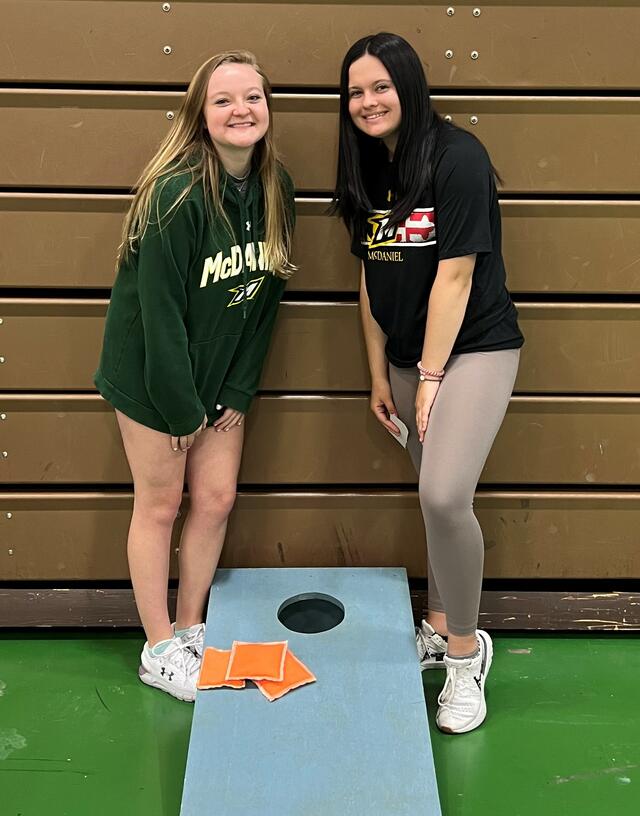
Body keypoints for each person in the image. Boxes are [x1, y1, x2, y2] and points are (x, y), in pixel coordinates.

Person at [332, 33, 523, 734]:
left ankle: (468, 655)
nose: (367, 102)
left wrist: (432, 377)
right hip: (411, 357)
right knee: (434, 504)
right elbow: (371, 274)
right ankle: (440, 625)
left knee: (443, 494)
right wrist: (379, 370)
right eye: (355, 91)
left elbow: (458, 273)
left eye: (381, 86)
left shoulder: (458, 156)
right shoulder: (369, 167)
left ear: (409, 87)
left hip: (474, 349)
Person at [95, 50, 296, 702]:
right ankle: (158, 648)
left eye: (253, 98)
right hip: (155, 376)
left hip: (215, 378)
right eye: (224, 100)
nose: (242, 110)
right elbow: (158, 317)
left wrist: (237, 388)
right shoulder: (176, 193)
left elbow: (265, 298)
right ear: (200, 116)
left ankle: (189, 627)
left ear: (267, 107)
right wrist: (182, 409)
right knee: (160, 503)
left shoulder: (274, 188)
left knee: (215, 498)